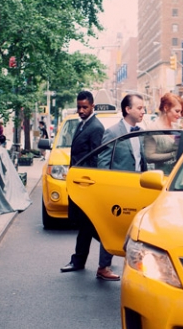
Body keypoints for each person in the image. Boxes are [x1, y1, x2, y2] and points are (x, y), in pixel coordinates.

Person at [60, 90, 120, 281]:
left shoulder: (95, 127)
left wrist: (91, 183)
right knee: (85, 224)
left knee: (88, 224)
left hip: (87, 184)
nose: (81, 110)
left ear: (93, 106)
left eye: (84, 107)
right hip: (78, 182)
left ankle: (108, 249)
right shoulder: (81, 125)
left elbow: (96, 158)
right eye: (79, 107)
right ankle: (84, 259)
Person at [98, 94, 147, 172]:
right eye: (139, 108)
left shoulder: (141, 132)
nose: (143, 112)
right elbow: (103, 164)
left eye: (143, 108)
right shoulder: (112, 133)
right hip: (120, 182)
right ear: (128, 109)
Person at [143, 93, 183, 173]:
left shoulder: (177, 127)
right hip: (161, 177)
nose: (179, 115)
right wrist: (172, 155)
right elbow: (149, 156)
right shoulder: (152, 129)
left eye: (181, 112)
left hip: (178, 176)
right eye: (177, 111)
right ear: (166, 108)